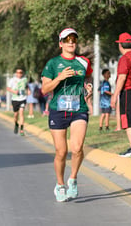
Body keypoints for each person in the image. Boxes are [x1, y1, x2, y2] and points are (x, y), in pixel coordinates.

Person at [41, 27, 93, 202]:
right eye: (67, 39)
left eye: (74, 39)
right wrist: (59, 77)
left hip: (79, 109)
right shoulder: (53, 64)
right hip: (58, 109)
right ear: (61, 43)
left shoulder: (84, 62)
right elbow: (44, 89)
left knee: (77, 148)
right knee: (61, 151)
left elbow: (86, 79)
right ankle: (60, 185)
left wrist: (87, 88)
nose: (71, 42)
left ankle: (73, 179)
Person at [111, 32, 131, 157]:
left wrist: (114, 96)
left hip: (128, 90)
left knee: (128, 118)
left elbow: (122, 78)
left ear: (120, 45)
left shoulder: (124, 59)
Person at [7, 68, 29, 136]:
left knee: (21, 113)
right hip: (15, 99)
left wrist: (28, 91)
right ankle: (16, 124)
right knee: (16, 115)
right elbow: (8, 88)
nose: (19, 74)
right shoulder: (12, 80)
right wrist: (14, 91)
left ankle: (22, 129)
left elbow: (27, 86)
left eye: (21, 72)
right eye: (18, 72)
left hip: (23, 98)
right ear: (16, 73)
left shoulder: (25, 79)